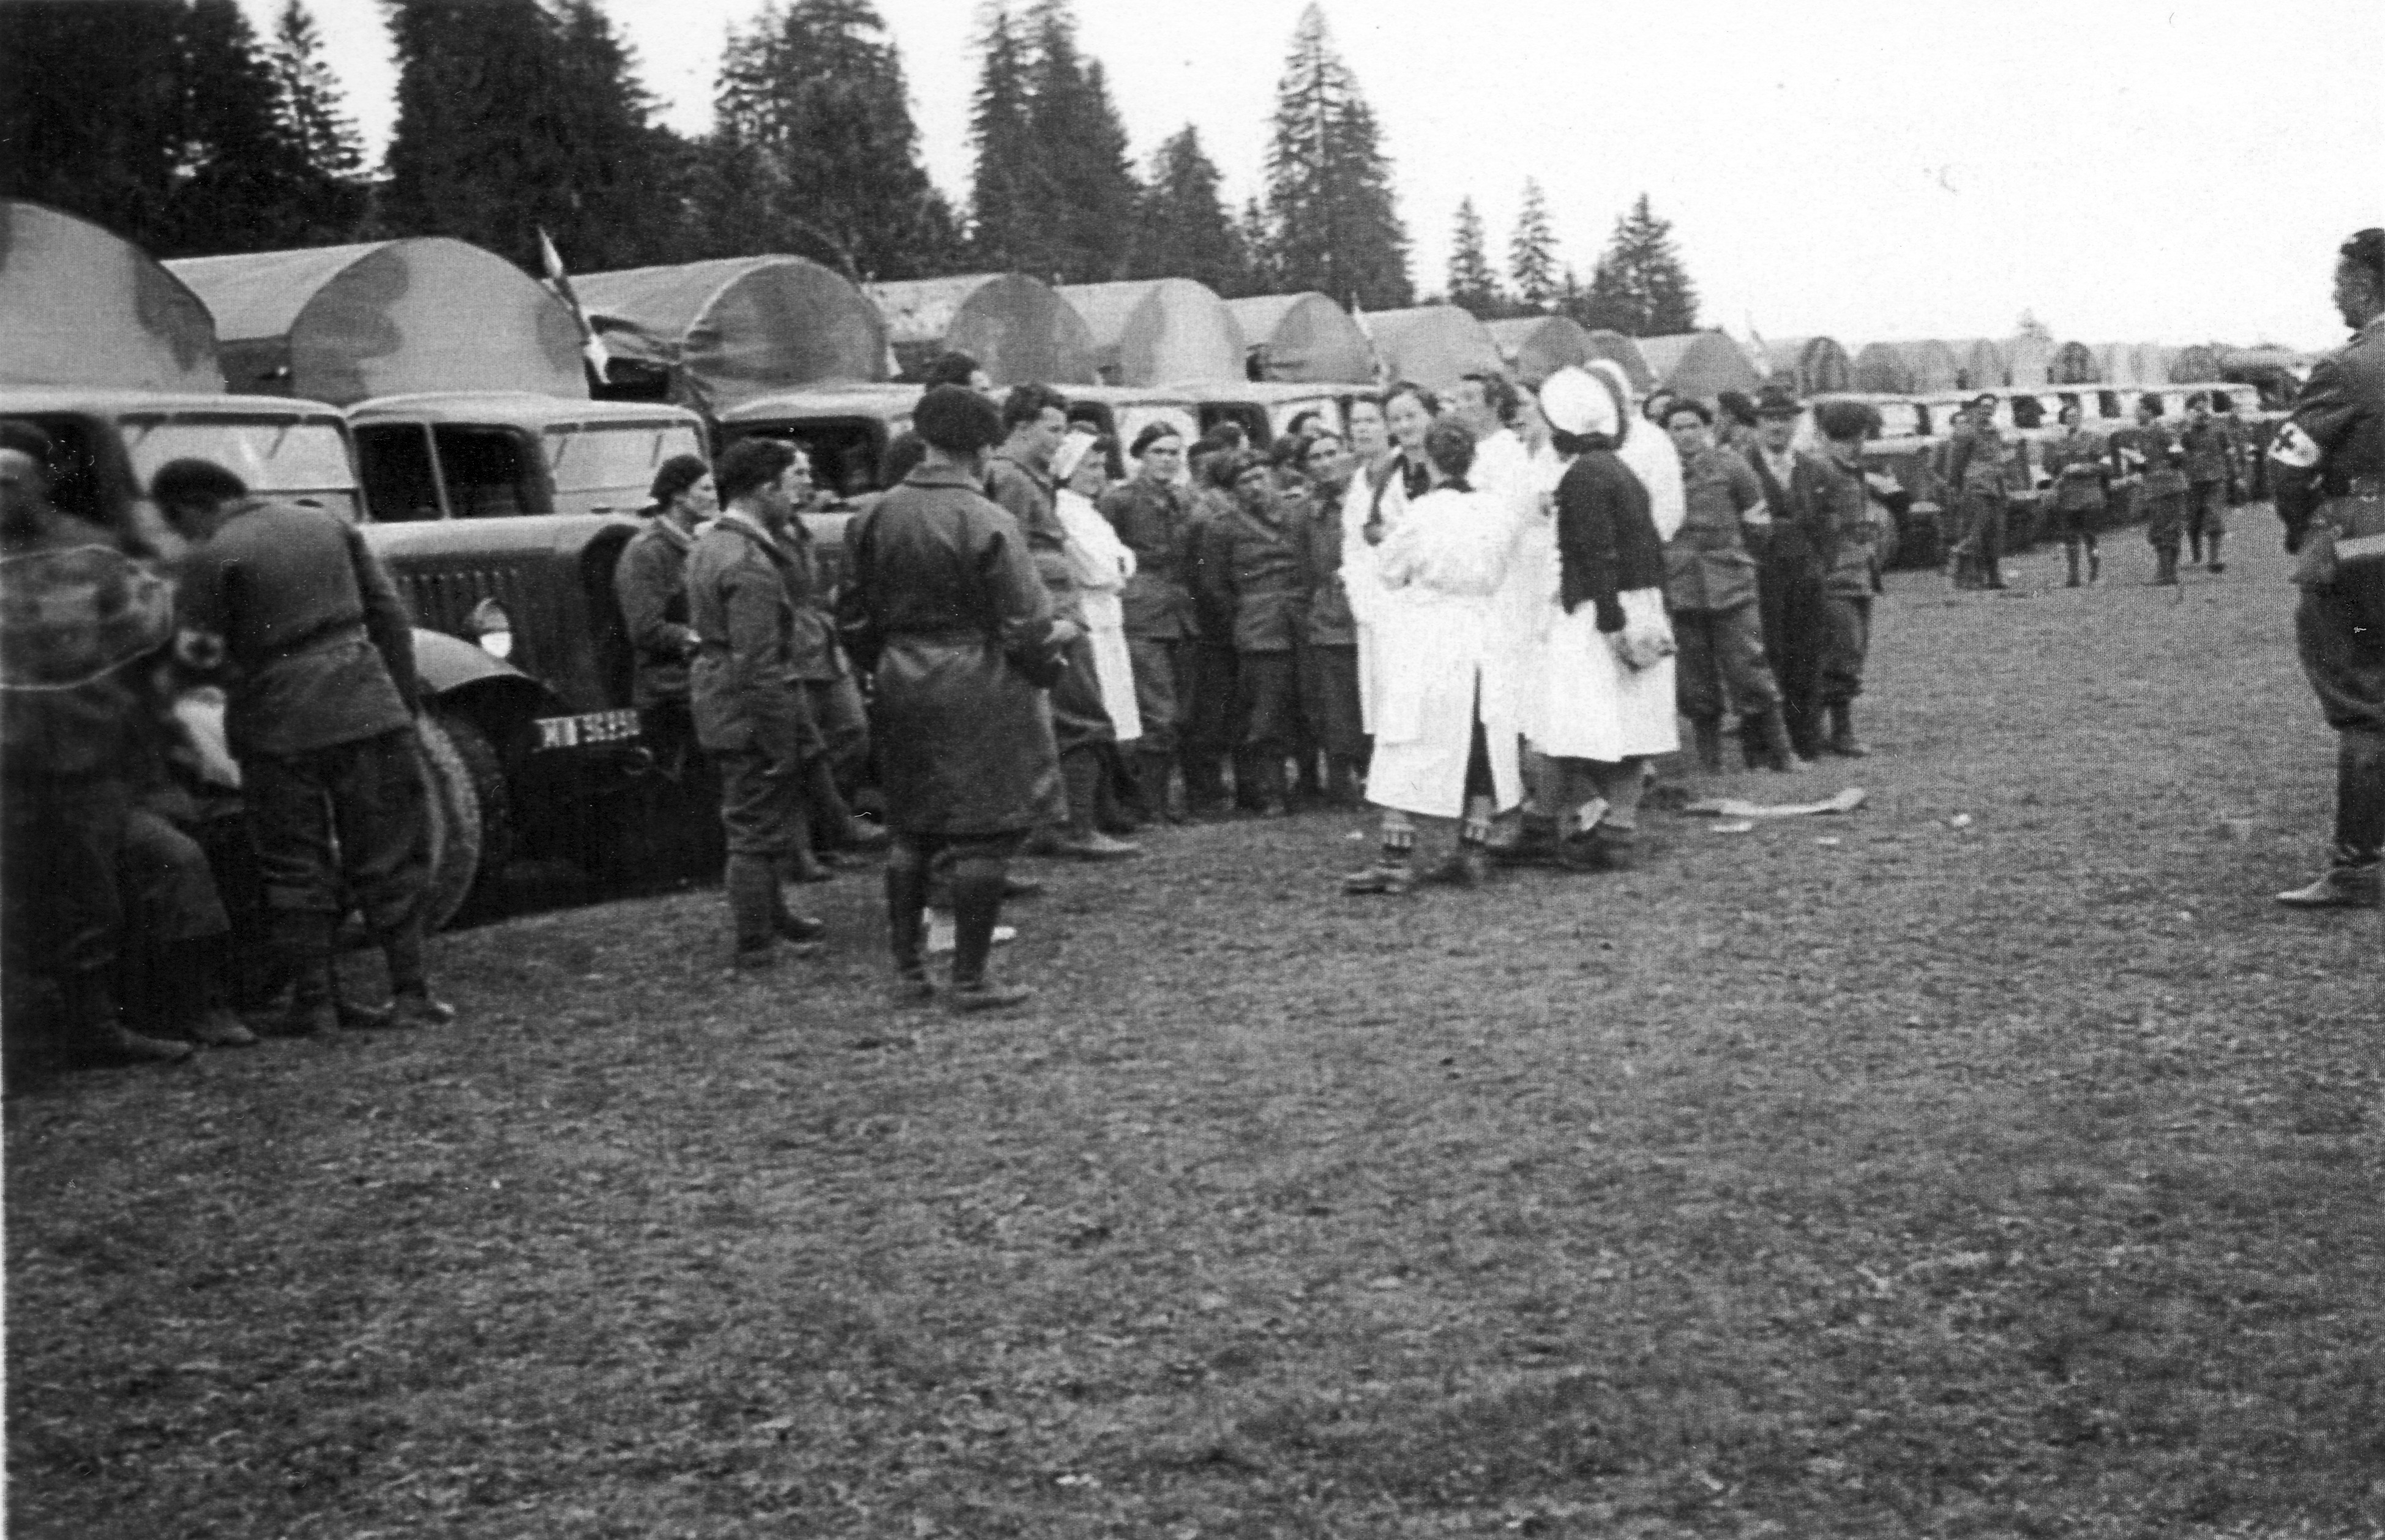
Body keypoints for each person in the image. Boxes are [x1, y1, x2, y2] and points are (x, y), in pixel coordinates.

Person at [159, 457, 451, 1034]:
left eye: (178, 522)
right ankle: (412, 993)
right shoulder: (326, 524)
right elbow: (388, 616)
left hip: (275, 724)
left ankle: (316, 1003)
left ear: (193, 506)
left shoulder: (210, 556)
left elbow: (196, 657)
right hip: (366, 706)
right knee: (391, 852)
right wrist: (398, 703)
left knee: (294, 863)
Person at [836, 386, 1067, 1007]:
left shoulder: (872, 516)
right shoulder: (987, 519)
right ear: (985, 448)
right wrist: (1045, 668)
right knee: (982, 831)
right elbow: (1027, 624)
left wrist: (887, 664)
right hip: (979, 680)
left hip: (900, 677)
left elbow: (851, 618)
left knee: (910, 830)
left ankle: (909, 971)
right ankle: (969, 978)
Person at [1, 426, 192, 1068]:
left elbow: (145, 644)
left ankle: (95, 1029)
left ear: (42, 481)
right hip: (5, 765)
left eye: (9, 482)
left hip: (85, 760)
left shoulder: (94, 551)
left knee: (92, 897)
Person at [1342, 419, 1526, 893]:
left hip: (1432, 632)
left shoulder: (1423, 512)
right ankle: (1472, 850)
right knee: (1480, 737)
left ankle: (1396, 860)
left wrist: (1393, 544)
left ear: (1429, 460)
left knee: (1407, 736)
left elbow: (1389, 570)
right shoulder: (1498, 511)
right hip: (1484, 632)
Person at [2268, 226, 2385, 911]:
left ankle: (2358, 868)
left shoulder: (2349, 367)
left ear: (2364, 285)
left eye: (2339, 283)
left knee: (2365, 703)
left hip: (2366, 548)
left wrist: (2307, 529)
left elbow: (2288, 464)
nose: (2333, 296)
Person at [1520, 366, 1677, 870]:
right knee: (1628, 728)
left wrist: (1610, 623)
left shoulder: (1584, 476)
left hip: (1598, 612)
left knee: (1561, 725)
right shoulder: (1617, 469)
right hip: (1634, 603)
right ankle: (1612, 832)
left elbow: (1598, 554)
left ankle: (1548, 828)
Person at [684, 439, 829, 970]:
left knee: (764, 816)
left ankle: (774, 916)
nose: (796, 498)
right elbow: (758, 665)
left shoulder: (713, 544)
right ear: (765, 489)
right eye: (789, 485)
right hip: (746, 709)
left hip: (723, 698)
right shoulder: (750, 562)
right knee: (753, 825)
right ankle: (755, 941)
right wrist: (778, 740)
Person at [988, 384, 1135, 857]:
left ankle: (1057, 824)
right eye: (1052, 430)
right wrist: (1047, 621)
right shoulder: (1012, 480)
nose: (1060, 440)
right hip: (1050, 619)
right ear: (1021, 427)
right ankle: (1075, 828)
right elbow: (1010, 558)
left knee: (1066, 721)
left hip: (1055, 612)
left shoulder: (1026, 477)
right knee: (1081, 719)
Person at [1663, 397, 1799, 774]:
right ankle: (1711, 763)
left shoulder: (1732, 465)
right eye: (1677, 428)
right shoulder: (1659, 472)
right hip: (1681, 587)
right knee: (1695, 679)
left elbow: (1758, 521)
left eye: (1693, 426)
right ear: (1666, 434)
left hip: (1732, 583)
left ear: (1707, 428)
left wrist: (1740, 557)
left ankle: (1782, 753)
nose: (1686, 435)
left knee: (1750, 667)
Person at [773, 444, 886, 861]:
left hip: (822, 646)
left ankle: (835, 824)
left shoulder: (797, 528)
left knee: (851, 733)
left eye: (808, 473)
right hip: (794, 650)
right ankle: (815, 839)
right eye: (798, 473)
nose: (808, 481)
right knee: (808, 747)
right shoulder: (767, 534)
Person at [1098, 422, 1197, 822]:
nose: (1168, 460)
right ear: (1139, 455)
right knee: (1157, 712)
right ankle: (1148, 804)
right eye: (1159, 452)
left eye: (1175, 453)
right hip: (1140, 615)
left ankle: (1159, 799)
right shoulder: (1119, 501)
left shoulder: (1183, 499)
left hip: (1180, 615)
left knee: (1179, 712)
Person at [1206, 451, 1311, 817]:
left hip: (1302, 619)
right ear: (1232, 490)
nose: (1256, 487)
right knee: (1266, 711)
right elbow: (1215, 586)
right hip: (1260, 627)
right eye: (1245, 482)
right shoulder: (1222, 528)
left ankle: (1311, 784)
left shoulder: (1297, 516)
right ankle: (1271, 792)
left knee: (1307, 703)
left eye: (1260, 477)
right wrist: (1247, 617)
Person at [1808, 401, 1903, 757]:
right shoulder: (1821, 471)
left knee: (1850, 651)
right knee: (1839, 653)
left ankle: (1827, 730)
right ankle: (1831, 732)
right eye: (1855, 437)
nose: (1858, 444)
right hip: (1834, 577)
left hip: (1857, 574)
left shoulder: (1850, 470)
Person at [615, 454, 715, 781]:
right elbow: (645, 629)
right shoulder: (647, 551)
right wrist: (700, 639)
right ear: (679, 496)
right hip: (669, 694)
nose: (714, 497)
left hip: (698, 685)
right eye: (706, 489)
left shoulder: (697, 544)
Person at [1744, 384, 1831, 757]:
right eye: (1770, 419)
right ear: (1757, 424)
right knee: (1765, 656)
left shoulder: (1812, 469)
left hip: (1806, 577)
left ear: (1796, 424)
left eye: (1785, 419)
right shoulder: (1742, 467)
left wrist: (1817, 564)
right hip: (1759, 577)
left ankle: (1805, 738)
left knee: (1806, 655)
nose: (1778, 427)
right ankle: (1763, 744)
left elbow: (1826, 526)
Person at [1050, 430, 1143, 768]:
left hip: (1108, 617)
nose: (1099, 475)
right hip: (1089, 616)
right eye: (1090, 466)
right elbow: (1099, 571)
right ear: (1068, 470)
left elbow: (1126, 561)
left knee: (1119, 711)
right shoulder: (1063, 511)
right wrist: (1118, 567)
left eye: (1102, 466)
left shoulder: (1089, 511)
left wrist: (1118, 566)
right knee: (1101, 707)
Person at [1180, 427, 1253, 817]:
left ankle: (1228, 791)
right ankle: (1207, 794)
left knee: (1225, 708)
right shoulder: (1213, 514)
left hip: (1218, 621)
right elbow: (1209, 581)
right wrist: (1232, 618)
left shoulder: (1214, 509)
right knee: (1213, 710)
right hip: (1215, 626)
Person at [1295, 428, 1366, 806]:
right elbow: (1304, 568)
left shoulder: (1369, 497)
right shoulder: (1305, 512)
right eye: (1316, 458)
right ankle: (1341, 779)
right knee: (1336, 704)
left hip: (1371, 611)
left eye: (1331, 453)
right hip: (1331, 617)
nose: (1325, 464)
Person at [2121, 394, 2190, 585]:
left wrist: (2158, 467)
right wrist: (2138, 462)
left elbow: (2177, 454)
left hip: (2167, 485)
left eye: (2139, 409)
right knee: (2164, 528)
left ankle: (2167, 574)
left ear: (2149, 411)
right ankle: (2167, 573)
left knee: (2165, 528)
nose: (2136, 413)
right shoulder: (2147, 431)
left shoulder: (2161, 427)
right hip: (2158, 485)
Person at [1943, 394, 2011, 589]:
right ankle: (1961, 578)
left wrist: (2003, 489)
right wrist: (1955, 487)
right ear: (1976, 408)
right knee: (1973, 534)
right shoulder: (1966, 430)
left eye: (1992, 407)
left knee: (1994, 533)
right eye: (1984, 406)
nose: (1988, 410)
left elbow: (1998, 460)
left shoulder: (1995, 431)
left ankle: (1994, 578)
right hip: (1975, 487)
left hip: (1995, 486)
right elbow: (1955, 463)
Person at [2040, 402, 2110, 587]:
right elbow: (2050, 468)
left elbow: (2106, 466)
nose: (2073, 419)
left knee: (2090, 536)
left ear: (2081, 418)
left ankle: (2095, 576)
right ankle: (2073, 578)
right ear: (2063, 420)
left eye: (2076, 416)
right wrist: (2048, 448)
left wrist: (2082, 468)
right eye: (2069, 417)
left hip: (2090, 494)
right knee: (2069, 536)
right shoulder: (2058, 443)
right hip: (2068, 496)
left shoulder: (2095, 438)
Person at [2179, 393, 2236, 572]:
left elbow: (2229, 452)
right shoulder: (2185, 432)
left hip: (2216, 479)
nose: (2203, 412)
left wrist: (2236, 475)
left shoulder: (2219, 428)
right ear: (2189, 411)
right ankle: (2196, 556)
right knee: (2193, 519)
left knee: (2214, 517)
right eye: (2197, 409)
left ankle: (2214, 559)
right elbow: (2178, 453)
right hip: (2193, 481)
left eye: (2205, 408)